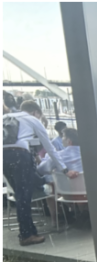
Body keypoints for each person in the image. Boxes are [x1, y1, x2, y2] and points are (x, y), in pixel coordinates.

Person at [3, 100, 73, 245]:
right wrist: (64, 169)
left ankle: (30, 231)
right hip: (21, 156)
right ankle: (27, 234)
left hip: (3, 156)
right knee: (24, 196)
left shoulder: (5, 118)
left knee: (19, 194)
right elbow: (49, 147)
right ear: (35, 112)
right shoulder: (32, 119)